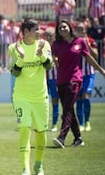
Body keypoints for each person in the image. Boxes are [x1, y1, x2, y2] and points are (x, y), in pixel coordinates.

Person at [8, 18, 53, 175]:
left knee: (41, 131)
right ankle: (25, 169)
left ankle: (38, 165)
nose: (39, 32)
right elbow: (14, 72)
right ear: (26, 32)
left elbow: (49, 66)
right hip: (21, 96)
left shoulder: (44, 45)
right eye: (36, 29)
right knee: (24, 130)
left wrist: (40, 55)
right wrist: (20, 57)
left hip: (40, 97)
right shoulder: (13, 47)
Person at [51, 20, 105, 149]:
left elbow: (88, 58)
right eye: (60, 28)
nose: (62, 29)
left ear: (70, 27)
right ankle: (78, 138)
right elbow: (53, 59)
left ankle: (61, 137)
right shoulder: (56, 44)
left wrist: (101, 69)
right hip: (61, 81)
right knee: (69, 110)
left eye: (64, 27)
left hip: (75, 79)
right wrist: (55, 60)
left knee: (67, 109)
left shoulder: (79, 42)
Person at [74, 22, 98, 132]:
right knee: (78, 99)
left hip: (89, 74)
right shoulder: (74, 43)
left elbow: (96, 56)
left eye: (82, 29)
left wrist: (87, 44)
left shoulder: (92, 41)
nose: (80, 31)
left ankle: (87, 121)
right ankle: (81, 124)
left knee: (86, 97)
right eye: (78, 29)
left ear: (85, 30)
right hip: (77, 75)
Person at [44, 27, 60, 132]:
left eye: (51, 35)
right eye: (47, 35)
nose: (49, 37)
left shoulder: (58, 46)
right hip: (43, 79)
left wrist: (56, 61)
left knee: (55, 100)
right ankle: (43, 123)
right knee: (42, 101)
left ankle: (54, 124)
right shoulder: (41, 47)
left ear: (54, 36)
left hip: (55, 78)